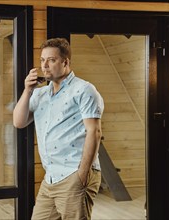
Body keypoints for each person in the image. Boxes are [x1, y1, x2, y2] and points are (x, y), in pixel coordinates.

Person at [13, 38, 104, 220]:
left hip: (73, 174)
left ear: (65, 62)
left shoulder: (84, 90)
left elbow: (94, 132)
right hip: (51, 177)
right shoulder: (40, 94)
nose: (45, 65)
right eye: (42, 60)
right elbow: (19, 122)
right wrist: (27, 91)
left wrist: (82, 175)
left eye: (51, 60)